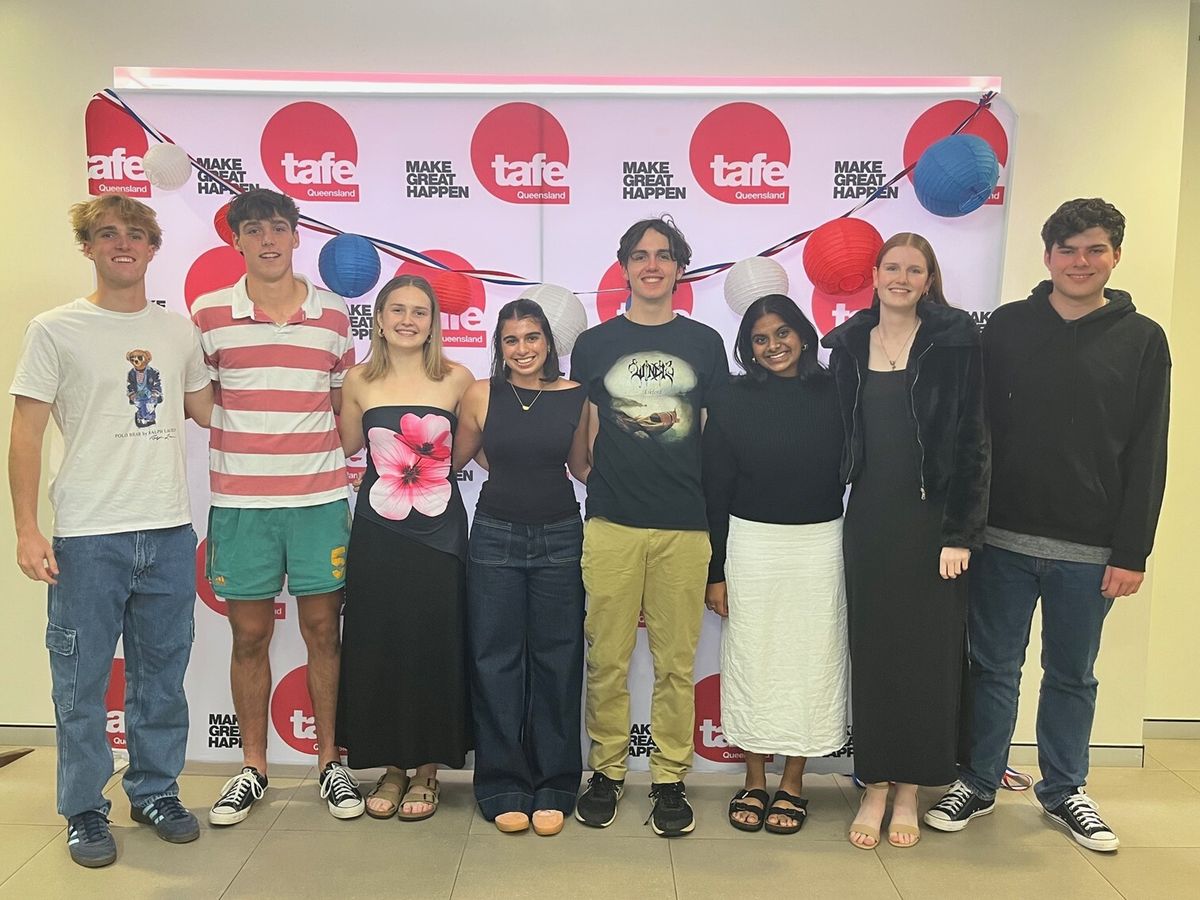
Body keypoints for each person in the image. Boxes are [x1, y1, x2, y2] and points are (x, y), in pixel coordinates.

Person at [926, 199, 1170, 853]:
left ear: (1116, 256)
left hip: (1091, 549)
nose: (1080, 262)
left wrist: (1133, 551)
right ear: (1048, 257)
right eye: (1068, 249)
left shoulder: (1142, 339)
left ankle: (1064, 790)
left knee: (1072, 676)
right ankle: (978, 780)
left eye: (1094, 249)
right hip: (1001, 539)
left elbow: (1149, 449)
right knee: (992, 669)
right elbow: (974, 433)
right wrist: (964, 528)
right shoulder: (1007, 327)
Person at [9, 195, 213, 867]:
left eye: (135, 234)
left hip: (169, 531)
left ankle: (154, 792)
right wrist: (27, 529)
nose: (122, 243)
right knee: (80, 683)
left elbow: (208, 408)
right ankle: (84, 810)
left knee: (162, 678)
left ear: (153, 248)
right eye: (107, 234)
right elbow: (26, 433)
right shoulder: (54, 329)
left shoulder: (179, 331)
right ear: (88, 247)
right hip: (88, 537)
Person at [190, 188, 363, 825]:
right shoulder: (209, 313)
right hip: (242, 504)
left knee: (324, 632)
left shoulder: (334, 314)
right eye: (255, 229)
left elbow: (342, 404)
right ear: (236, 240)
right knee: (249, 637)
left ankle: (329, 763)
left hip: (319, 501)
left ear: (296, 236)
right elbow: (199, 402)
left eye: (279, 228)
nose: (268, 240)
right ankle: (253, 767)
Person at [822, 232, 988, 850]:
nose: (901, 278)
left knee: (927, 657)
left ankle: (911, 790)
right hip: (870, 520)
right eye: (891, 267)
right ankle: (873, 785)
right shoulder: (847, 346)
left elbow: (974, 441)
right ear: (873, 275)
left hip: (935, 527)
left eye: (914, 270)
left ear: (928, 279)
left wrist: (960, 533)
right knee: (874, 652)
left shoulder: (956, 343)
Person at [570, 216, 729, 836]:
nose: (652, 265)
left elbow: (712, 441)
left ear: (680, 268)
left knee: (676, 665)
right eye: (640, 255)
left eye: (664, 255)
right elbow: (584, 439)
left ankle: (669, 779)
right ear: (625, 268)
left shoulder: (705, 343)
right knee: (607, 659)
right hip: (612, 523)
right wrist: (605, 480)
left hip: (685, 527)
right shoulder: (594, 344)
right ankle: (607, 772)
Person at [703, 295, 847, 836]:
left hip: (819, 544)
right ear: (748, 348)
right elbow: (715, 488)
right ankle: (754, 779)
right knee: (753, 658)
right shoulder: (730, 397)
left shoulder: (838, 390)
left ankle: (793, 781)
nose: (773, 346)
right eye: (760, 339)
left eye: (782, 333)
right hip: (752, 544)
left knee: (811, 660)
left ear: (804, 334)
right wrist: (715, 570)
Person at [336, 274, 475, 822]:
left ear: (434, 322)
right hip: (377, 532)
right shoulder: (357, 380)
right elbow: (345, 445)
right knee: (381, 647)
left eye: (420, 311)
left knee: (434, 647)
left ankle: (427, 772)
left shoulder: (458, 379)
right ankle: (392, 767)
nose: (408, 320)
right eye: (398, 309)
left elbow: (470, 452)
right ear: (379, 318)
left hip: (440, 536)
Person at [453, 297, 591, 836]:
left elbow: (581, 467)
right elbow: (461, 457)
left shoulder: (576, 395)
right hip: (494, 536)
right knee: (495, 661)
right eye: (511, 340)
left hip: (561, 535)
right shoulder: (480, 393)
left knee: (558, 662)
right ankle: (502, 785)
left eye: (532, 337)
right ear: (499, 347)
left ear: (549, 343)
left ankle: (555, 784)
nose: (523, 348)